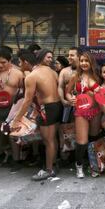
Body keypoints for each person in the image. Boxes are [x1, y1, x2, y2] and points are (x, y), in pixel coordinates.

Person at [12, 49, 62, 181]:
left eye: (20, 62)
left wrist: (17, 119)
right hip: (57, 106)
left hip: (47, 108)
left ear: (26, 62)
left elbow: (27, 100)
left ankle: (49, 170)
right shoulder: (52, 71)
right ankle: (53, 164)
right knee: (53, 139)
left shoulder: (32, 76)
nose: (19, 65)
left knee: (48, 140)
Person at [65, 51, 101, 179]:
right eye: (82, 61)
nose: (84, 63)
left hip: (96, 111)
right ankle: (79, 166)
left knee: (93, 139)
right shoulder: (76, 77)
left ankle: (92, 165)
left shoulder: (98, 76)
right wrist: (71, 99)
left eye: (87, 61)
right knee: (82, 141)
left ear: (91, 62)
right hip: (81, 112)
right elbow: (67, 92)